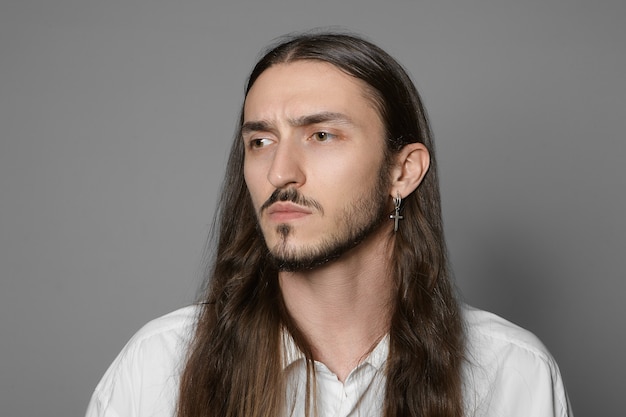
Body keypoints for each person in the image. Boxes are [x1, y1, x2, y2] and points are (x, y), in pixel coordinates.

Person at [86, 31, 573, 417]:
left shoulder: (511, 372)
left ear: (402, 172)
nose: (280, 171)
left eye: (320, 134)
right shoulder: (159, 368)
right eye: (260, 141)